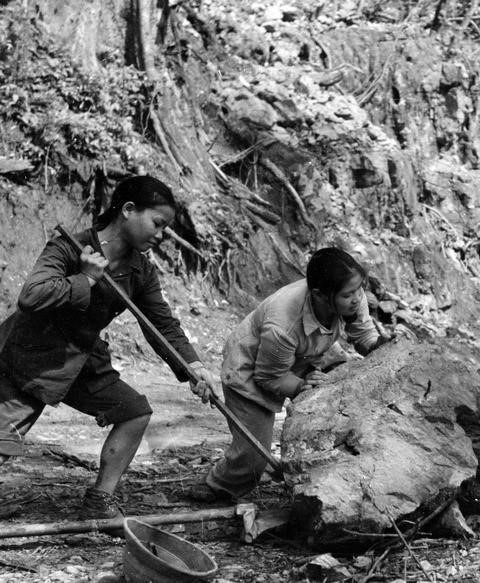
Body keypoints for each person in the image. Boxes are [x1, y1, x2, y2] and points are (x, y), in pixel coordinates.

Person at [0, 175, 217, 519]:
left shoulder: (140, 271)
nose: (160, 235)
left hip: (83, 359)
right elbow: (31, 296)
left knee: (134, 411)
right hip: (29, 356)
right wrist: (84, 278)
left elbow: (161, 324)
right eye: (157, 224)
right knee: (3, 443)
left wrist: (193, 366)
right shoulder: (71, 247)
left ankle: (99, 500)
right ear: (129, 210)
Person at [189, 247, 392, 502]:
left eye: (359, 289)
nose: (357, 298)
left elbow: (364, 335)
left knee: (347, 390)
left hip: (307, 354)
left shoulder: (351, 295)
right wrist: (302, 386)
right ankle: (220, 485)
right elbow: (269, 377)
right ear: (319, 295)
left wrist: (381, 348)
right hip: (252, 371)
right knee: (253, 455)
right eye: (348, 294)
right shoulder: (283, 322)